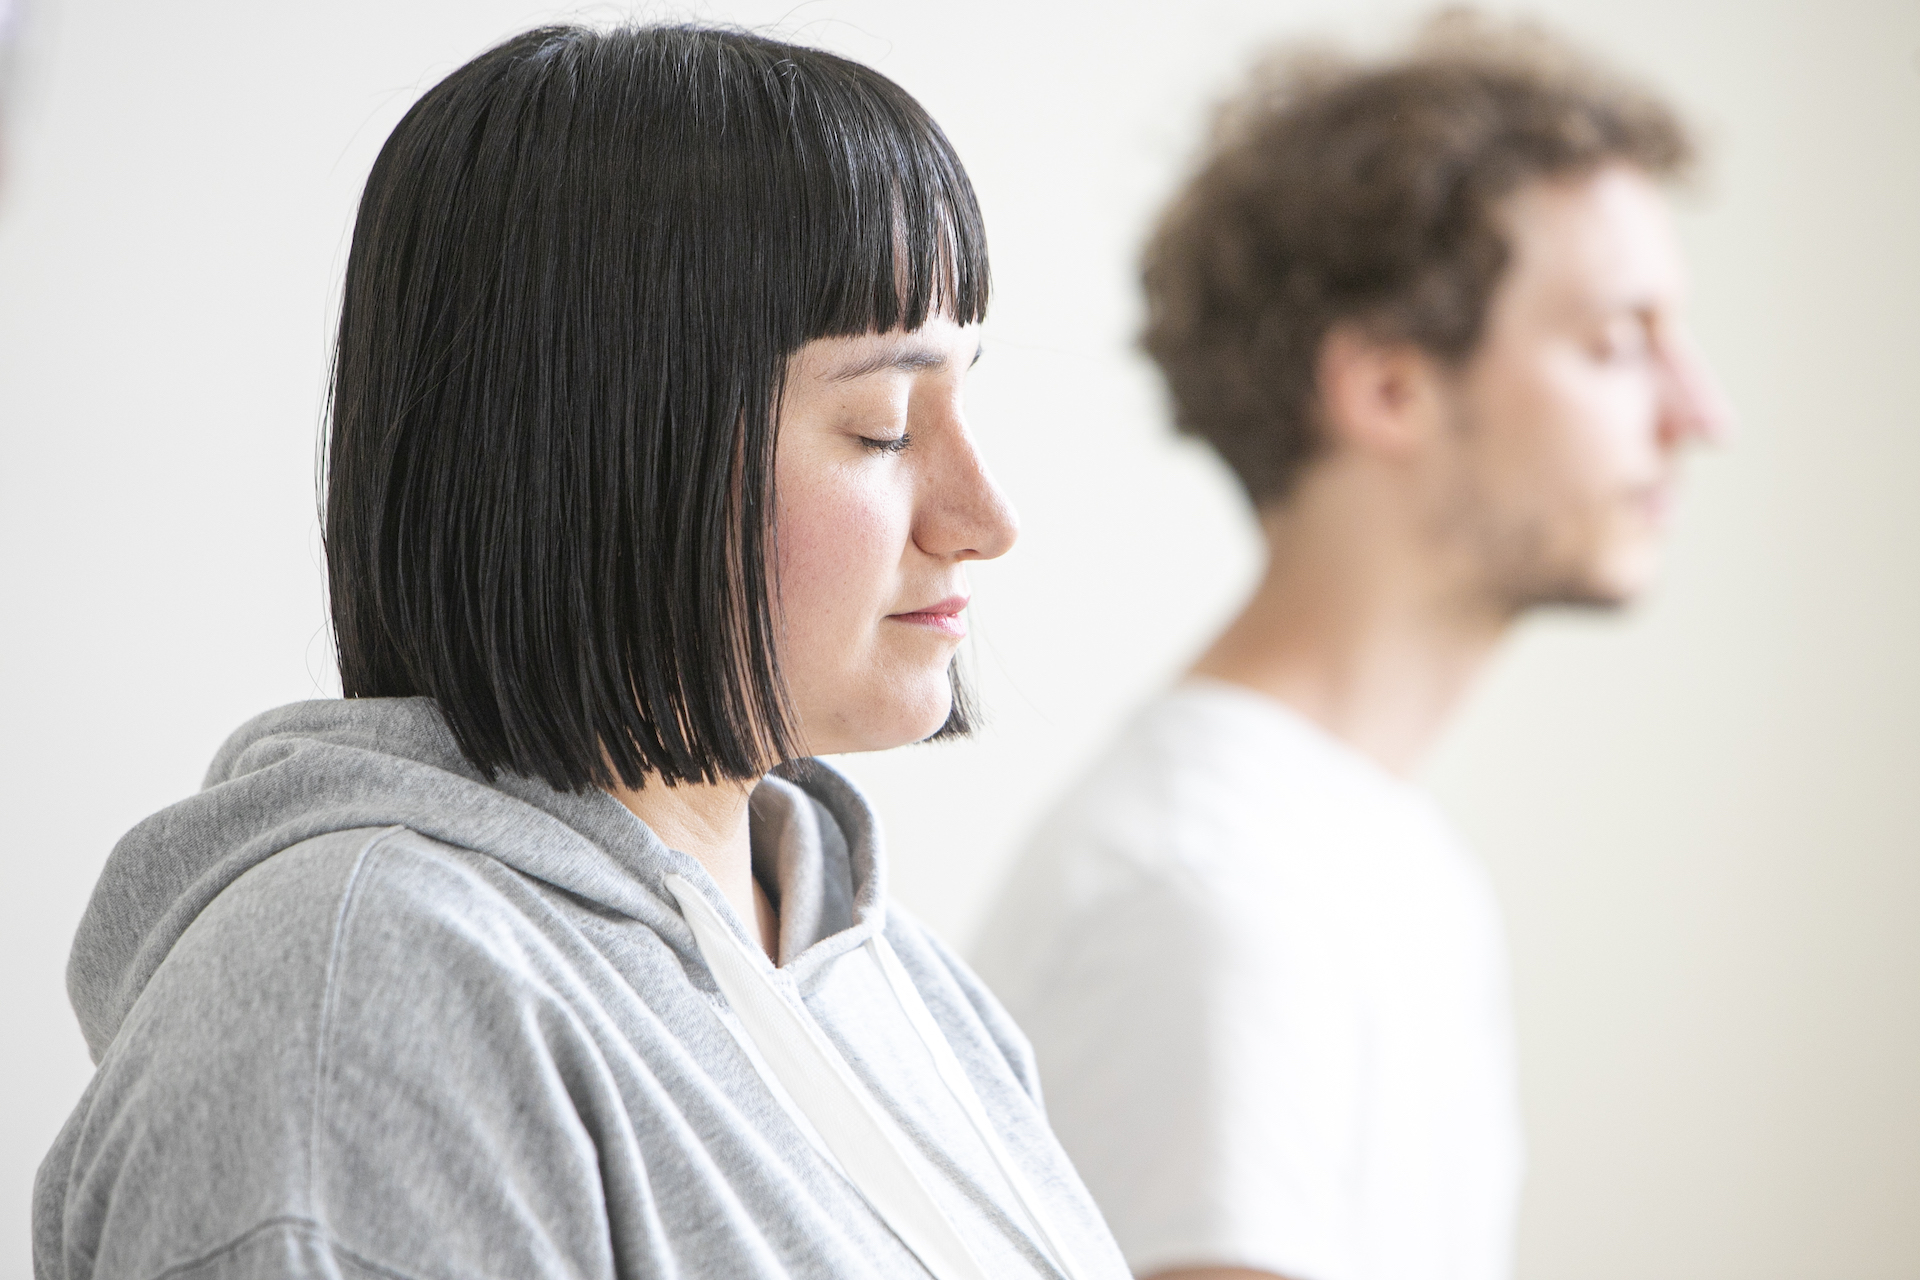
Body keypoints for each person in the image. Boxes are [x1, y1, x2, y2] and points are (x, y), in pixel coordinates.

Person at [33, 24, 1128, 1280]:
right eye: (882, 425)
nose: (987, 517)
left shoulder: (906, 991)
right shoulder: (363, 1011)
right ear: (604, 451)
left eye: (962, 395)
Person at [973, 15, 1731, 1280]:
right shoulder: (1209, 899)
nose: (1702, 413)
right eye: (1615, 343)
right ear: (1388, 390)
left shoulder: (1371, 859)